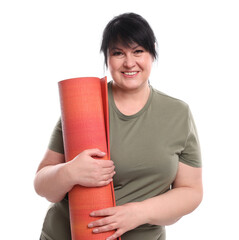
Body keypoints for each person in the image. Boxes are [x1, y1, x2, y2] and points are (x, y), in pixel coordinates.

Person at [34, 12, 203, 240]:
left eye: (138, 51)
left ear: (152, 52)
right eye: (118, 53)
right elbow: (43, 185)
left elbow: (191, 191)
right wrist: (70, 171)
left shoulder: (178, 114)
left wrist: (139, 213)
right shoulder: (84, 105)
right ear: (107, 58)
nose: (129, 62)